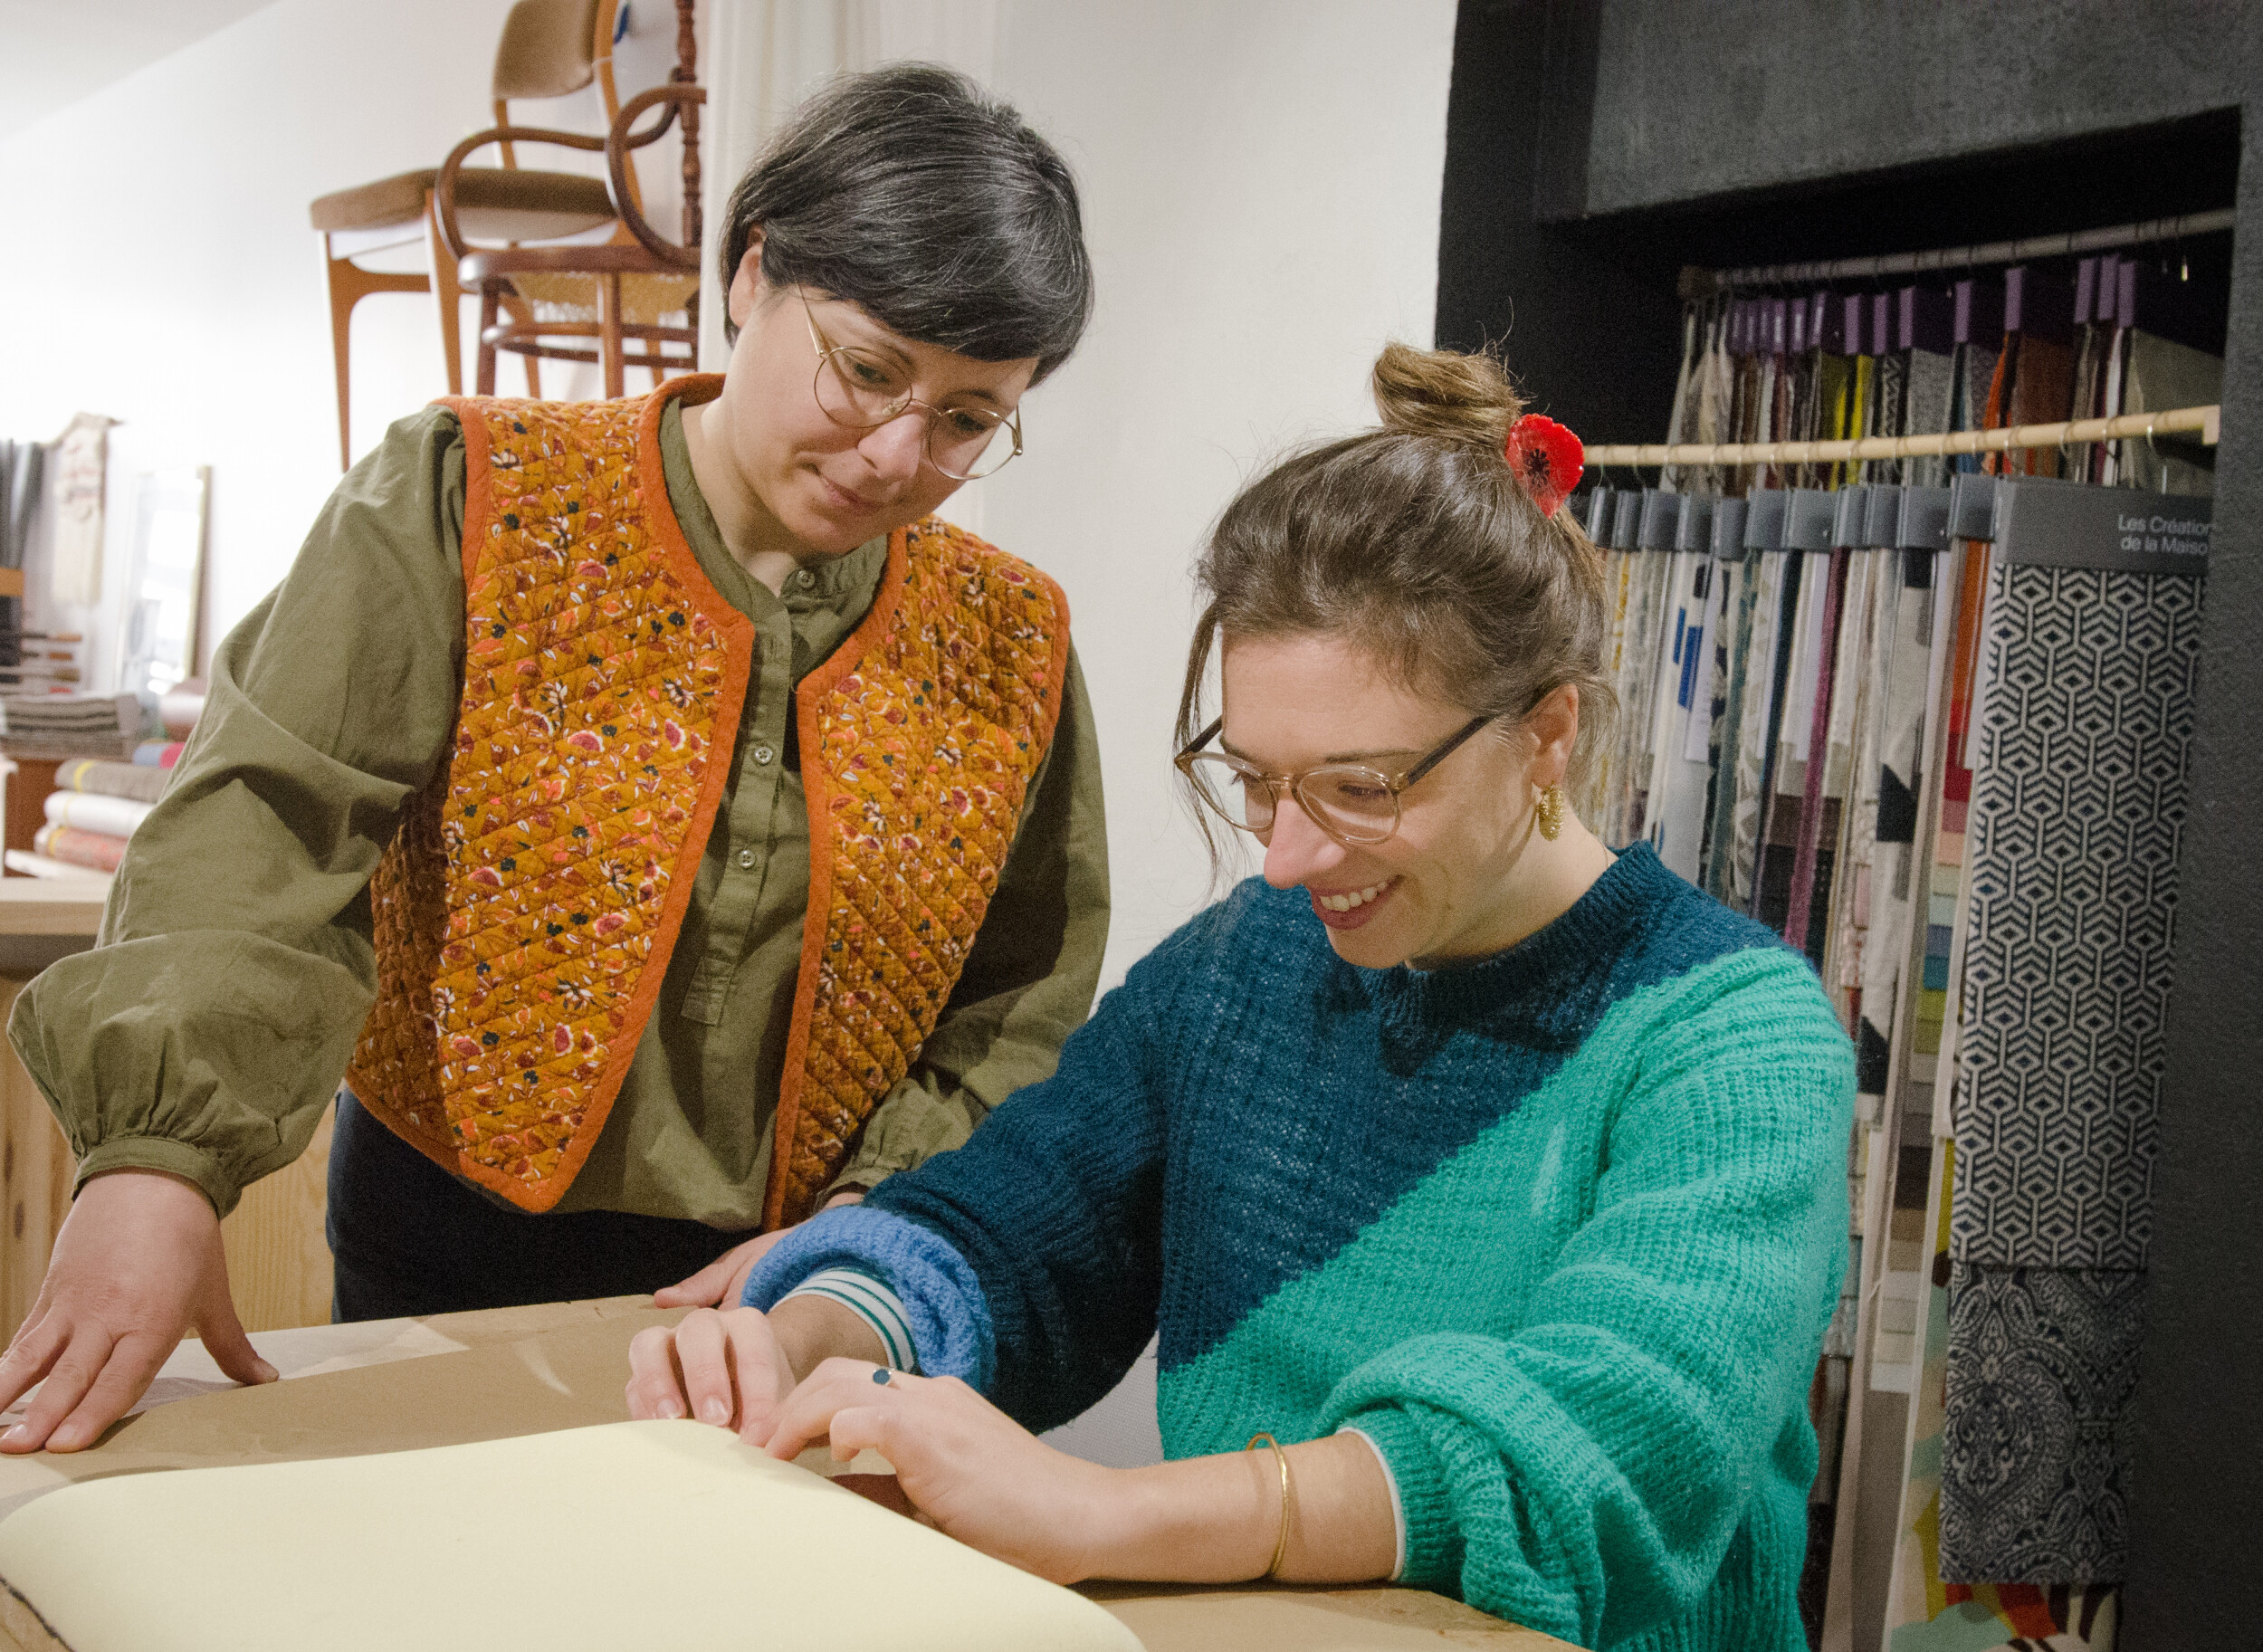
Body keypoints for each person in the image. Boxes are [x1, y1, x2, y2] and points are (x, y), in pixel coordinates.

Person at [624, 343, 1855, 1650]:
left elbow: (1599, 1446)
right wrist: (810, 1339)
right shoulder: (1250, 960)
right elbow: (1018, 1223)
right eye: (1259, 778)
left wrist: (1104, 1513)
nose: (1288, 855)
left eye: (1361, 785)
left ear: (1546, 732)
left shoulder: (1733, 1040)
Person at [0, 65, 1109, 1456]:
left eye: (967, 417)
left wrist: (880, 1222)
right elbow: (269, 820)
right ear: (754, 274)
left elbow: (1021, 999)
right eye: (870, 368)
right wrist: (157, 1163)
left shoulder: (1009, 639)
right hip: (445, 1249)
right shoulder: (468, 495)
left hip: (799, 1308)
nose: (900, 451)